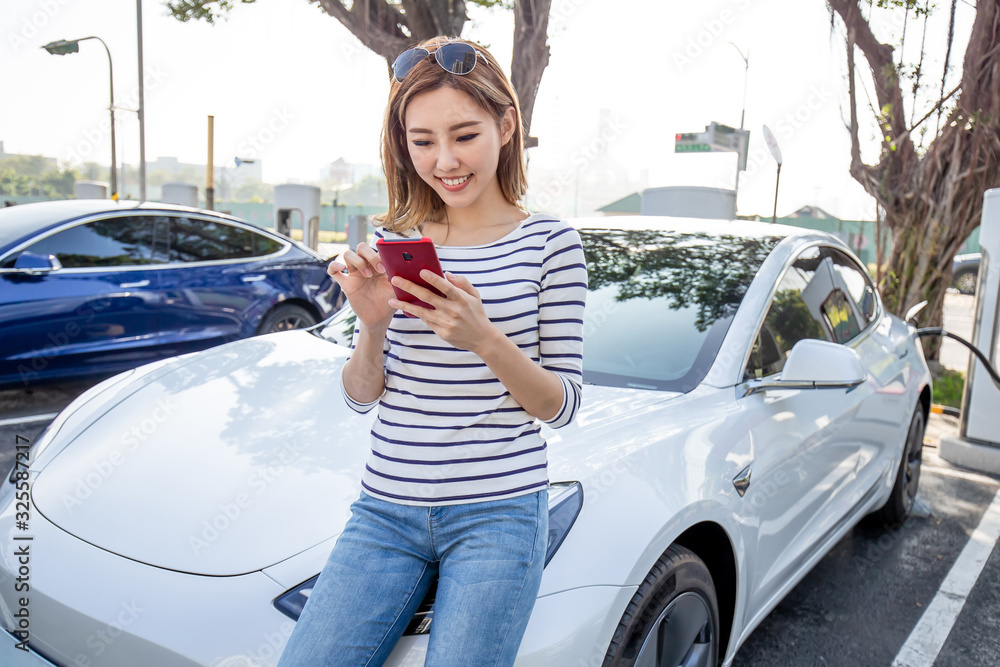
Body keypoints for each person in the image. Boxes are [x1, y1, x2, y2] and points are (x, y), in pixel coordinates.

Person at [277, 36, 587, 667]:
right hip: (384, 509)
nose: (445, 160)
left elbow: (561, 407)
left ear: (505, 126)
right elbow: (361, 396)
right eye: (422, 141)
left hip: (497, 517)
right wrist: (370, 325)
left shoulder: (552, 243)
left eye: (464, 135)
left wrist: (485, 338)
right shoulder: (396, 240)